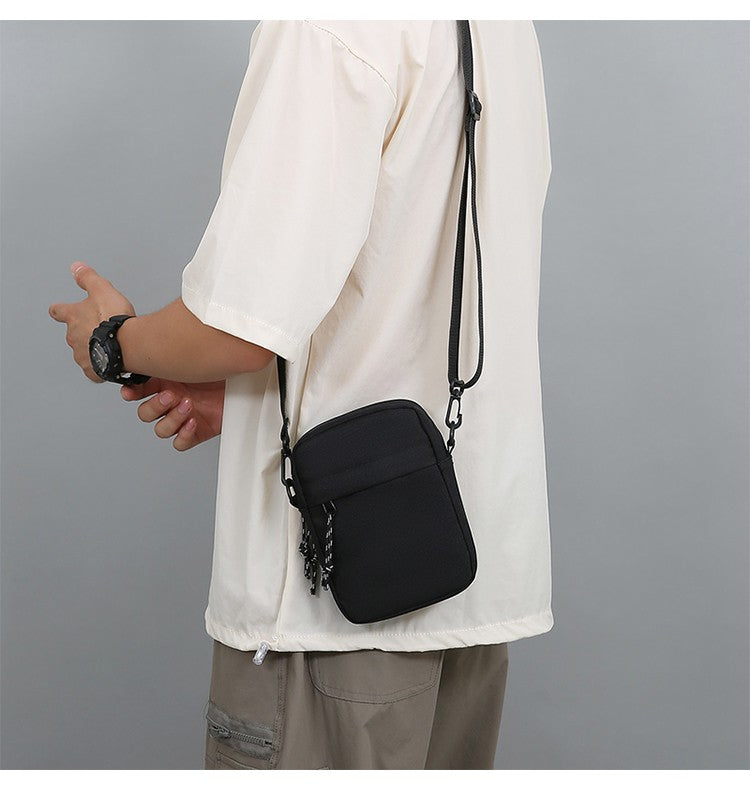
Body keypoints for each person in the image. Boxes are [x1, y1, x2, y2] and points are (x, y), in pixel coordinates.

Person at [48, 20, 553, 769]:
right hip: (469, 585)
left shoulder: (323, 24)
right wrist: (265, 402)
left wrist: (110, 342)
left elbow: (238, 329)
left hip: (334, 615)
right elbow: (419, 267)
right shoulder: (500, 24)